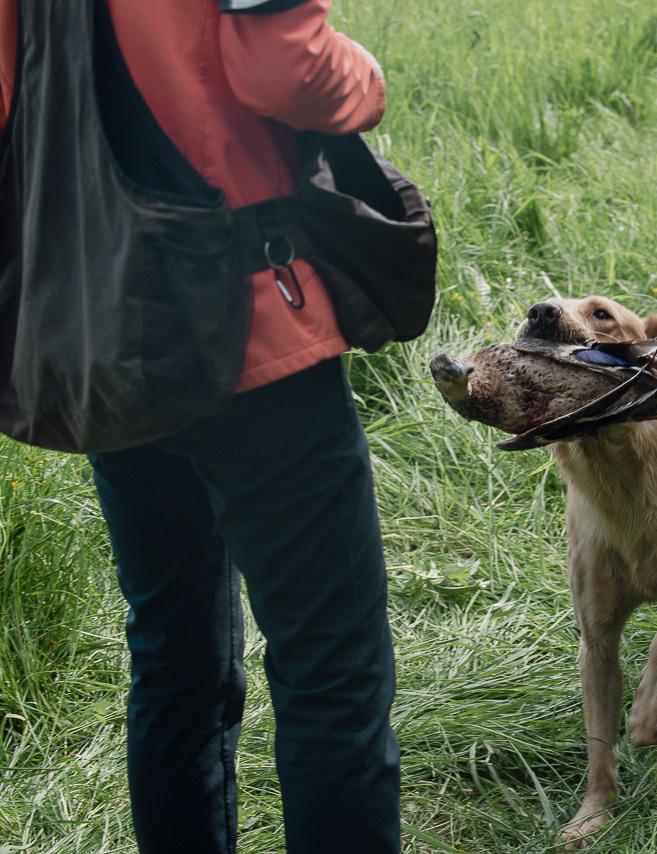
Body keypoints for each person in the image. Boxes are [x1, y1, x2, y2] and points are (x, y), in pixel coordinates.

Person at [1, 1, 401, 851]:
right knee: (333, 682)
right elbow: (287, 69)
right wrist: (365, 78)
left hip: (101, 323)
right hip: (248, 325)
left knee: (171, 658)